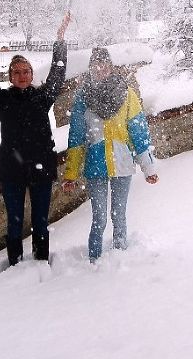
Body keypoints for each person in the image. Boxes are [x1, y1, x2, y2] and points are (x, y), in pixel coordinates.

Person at [0, 11, 71, 266]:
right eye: (17, 72)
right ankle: (15, 265)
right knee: (14, 223)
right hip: (12, 170)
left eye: (26, 71)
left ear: (32, 75)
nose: (22, 75)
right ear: (10, 77)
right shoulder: (4, 101)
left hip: (42, 168)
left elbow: (57, 74)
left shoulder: (43, 98)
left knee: (41, 222)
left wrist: (60, 39)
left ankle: (42, 262)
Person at [62, 47, 159, 263]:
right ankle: (94, 260)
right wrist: (70, 174)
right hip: (95, 167)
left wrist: (148, 168)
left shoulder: (127, 94)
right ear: (90, 68)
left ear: (110, 66)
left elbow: (139, 133)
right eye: (96, 65)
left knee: (119, 215)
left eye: (104, 64)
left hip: (122, 164)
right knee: (100, 218)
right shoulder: (82, 99)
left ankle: (120, 256)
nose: (100, 68)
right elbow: (76, 140)